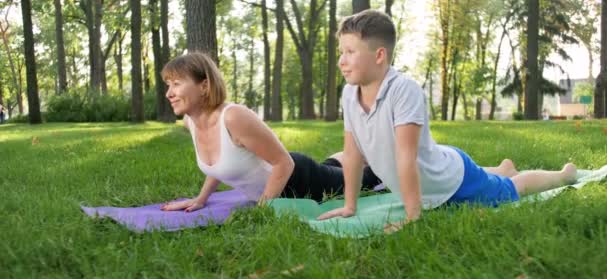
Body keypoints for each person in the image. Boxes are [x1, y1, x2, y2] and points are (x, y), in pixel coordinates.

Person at [317, 10, 577, 232]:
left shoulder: (404, 90)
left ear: (379, 55)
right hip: (432, 169)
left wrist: (412, 216)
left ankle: (562, 175)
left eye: (350, 52)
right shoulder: (350, 94)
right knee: (494, 179)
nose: (341, 60)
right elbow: (351, 155)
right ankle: (501, 167)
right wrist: (350, 206)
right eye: (341, 52)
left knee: (510, 190)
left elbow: (405, 157)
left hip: (449, 180)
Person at [159, 52, 381, 212]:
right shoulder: (191, 122)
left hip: (300, 183)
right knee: (331, 169)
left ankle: (386, 152)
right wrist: (200, 199)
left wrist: (262, 210)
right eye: (168, 85)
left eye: (176, 84)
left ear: (204, 86)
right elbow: (217, 163)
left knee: (369, 179)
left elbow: (284, 163)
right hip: (289, 176)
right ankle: (350, 157)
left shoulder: (233, 116)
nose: (169, 93)